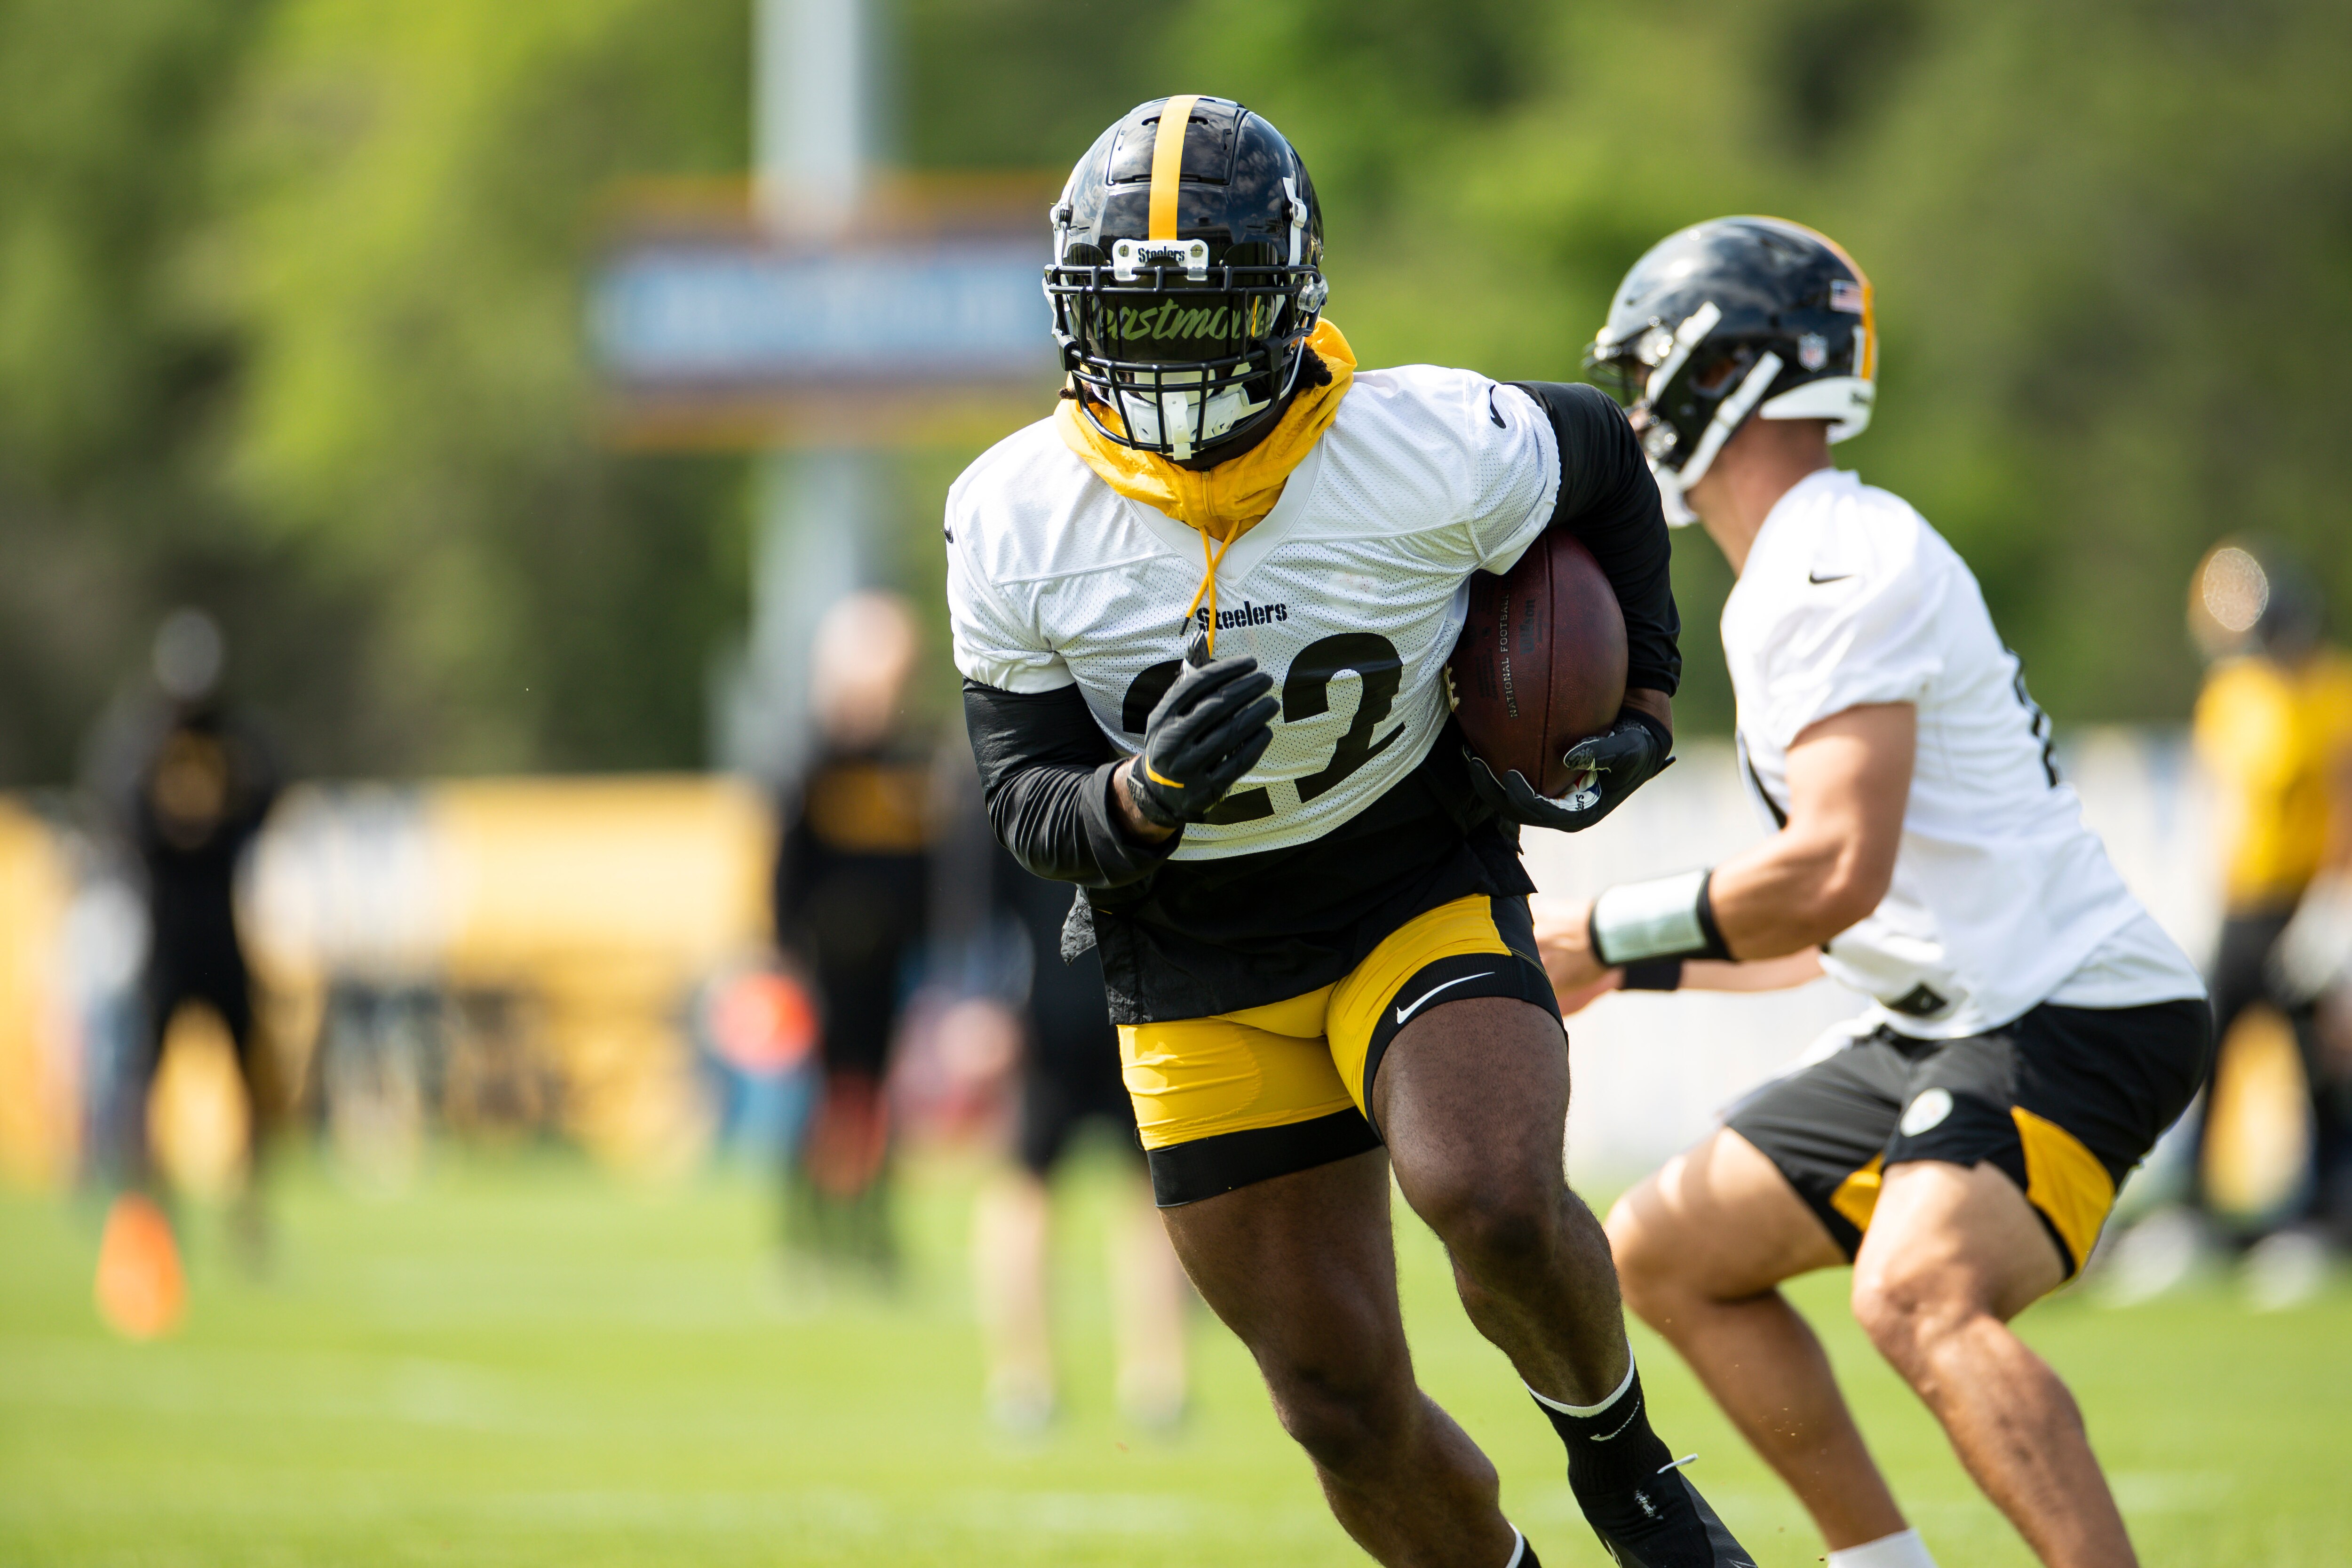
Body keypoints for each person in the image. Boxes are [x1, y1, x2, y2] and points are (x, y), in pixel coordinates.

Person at [947, 96, 1749, 1568]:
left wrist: (1644, 690)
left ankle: (1626, 1465)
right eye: (1136, 318)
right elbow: (1025, 800)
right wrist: (1137, 797)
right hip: (1190, 954)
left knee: (1491, 1197)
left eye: (1204, 317)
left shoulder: (1432, 442)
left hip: (1403, 874)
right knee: (1334, 1397)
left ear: (1290, 297)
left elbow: (1607, 458)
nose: (1169, 361)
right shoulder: (1012, 515)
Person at [1536, 218, 2211, 1568]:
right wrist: (1617, 964)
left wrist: (1604, 931)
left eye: (1650, 372)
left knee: (1915, 1290)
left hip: (2070, 1005)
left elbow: (1831, 870)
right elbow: (1816, 932)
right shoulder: (1797, 568)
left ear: (1725, 368)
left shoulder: (1833, 559)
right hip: (1952, 1015)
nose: (1637, 410)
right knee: (1662, 1250)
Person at [2107, 541, 2352, 1303]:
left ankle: (2326, 1212)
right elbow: (2220, 803)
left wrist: (2335, 903)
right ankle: (2195, 1207)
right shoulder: (2233, 695)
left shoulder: (2332, 690)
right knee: (2207, 1047)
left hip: (2308, 903)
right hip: (2244, 905)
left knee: (2319, 1063)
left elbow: (2341, 799)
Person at [87, 608, 281, 1303]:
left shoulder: (235, 743)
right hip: (167, 934)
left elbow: (271, 792)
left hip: (220, 931)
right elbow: (117, 814)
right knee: (147, 1082)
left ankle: (248, 1212)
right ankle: (153, 1213)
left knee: (247, 1078)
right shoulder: (143, 743)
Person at [967, 844, 1190, 1433]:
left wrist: (984, 998)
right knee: (1040, 1190)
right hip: (1096, 1003)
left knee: (1141, 1192)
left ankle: (1139, 1380)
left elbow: (980, 894)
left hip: (1096, 1001)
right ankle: (1054, 1381)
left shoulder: (1006, 788)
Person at [773, 591, 935, 1274]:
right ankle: (807, 1236)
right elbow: (786, 870)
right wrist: (785, 955)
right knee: (822, 1102)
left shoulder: (912, 764)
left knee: (878, 1103)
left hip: (892, 963)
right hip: (825, 965)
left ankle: (871, 1233)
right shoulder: (814, 766)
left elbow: (929, 871)